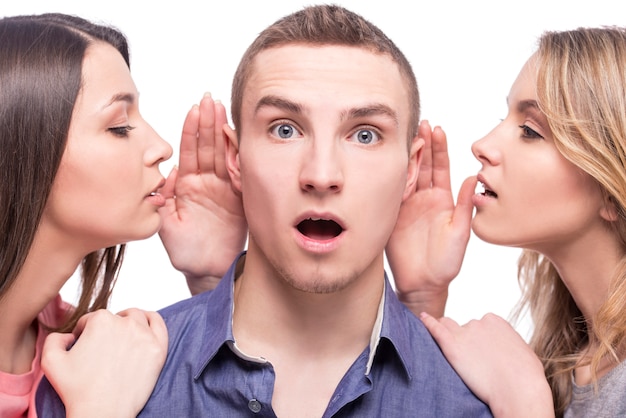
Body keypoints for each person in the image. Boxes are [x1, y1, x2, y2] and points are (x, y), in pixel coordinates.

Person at [36, 4, 492, 417]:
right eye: (286, 129)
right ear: (235, 157)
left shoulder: (483, 401)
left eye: (365, 134)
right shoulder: (94, 382)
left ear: (411, 170)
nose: (321, 174)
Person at [0, 13, 242, 418]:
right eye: (119, 126)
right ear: (21, 146)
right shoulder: (98, 379)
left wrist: (212, 285)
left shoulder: (89, 352)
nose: (162, 148)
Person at [393, 26, 626, 417]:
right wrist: (422, 297)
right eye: (505, 117)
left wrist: (525, 406)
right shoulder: (569, 366)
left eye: (530, 131)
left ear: (610, 190)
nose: (482, 145)